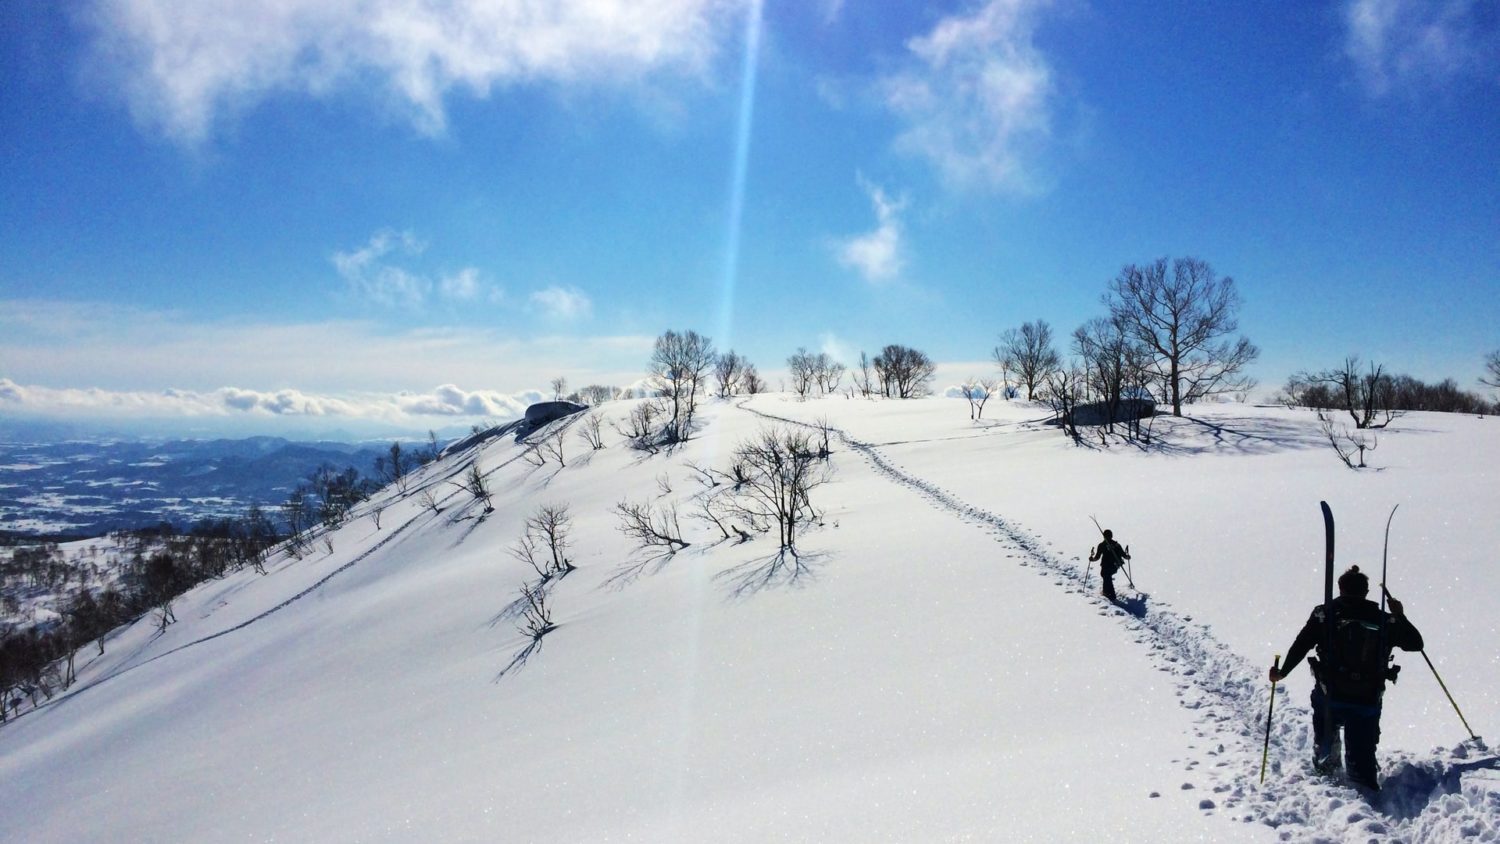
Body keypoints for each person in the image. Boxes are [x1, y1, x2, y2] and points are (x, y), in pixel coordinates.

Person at [1269, 565, 1423, 791]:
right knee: (1362, 748)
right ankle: (1363, 780)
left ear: (1340, 589)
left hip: (1330, 694)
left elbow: (1301, 645)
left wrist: (1282, 672)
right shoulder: (1383, 619)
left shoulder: (1324, 615)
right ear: (1367, 591)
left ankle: (1327, 766)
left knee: (1326, 735)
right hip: (1367, 697)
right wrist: (1400, 616)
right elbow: (1415, 644)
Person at [1088, 529, 1130, 602]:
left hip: (1112, 565)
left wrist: (1093, 559)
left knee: (1106, 575)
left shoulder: (1107, 545)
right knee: (1105, 575)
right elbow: (1124, 555)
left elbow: (1097, 557)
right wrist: (1127, 557)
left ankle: (1111, 594)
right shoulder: (1107, 545)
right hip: (1109, 565)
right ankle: (1106, 592)